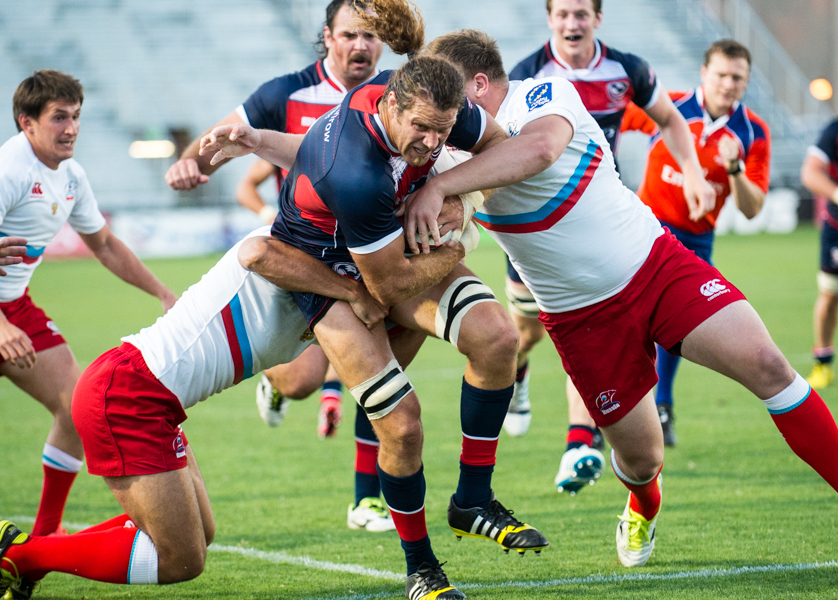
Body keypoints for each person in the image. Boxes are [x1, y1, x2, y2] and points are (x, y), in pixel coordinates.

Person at [418, 28, 838, 568]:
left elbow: (540, 148)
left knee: (769, 364)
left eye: (450, 100)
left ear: (478, 85)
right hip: (581, 320)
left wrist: (444, 188)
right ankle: (642, 505)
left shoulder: (544, 93)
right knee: (642, 460)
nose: (443, 117)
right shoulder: (447, 155)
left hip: (657, 266)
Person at [199, 2, 549, 597]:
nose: (434, 141)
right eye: (423, 130)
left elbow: (499, 151)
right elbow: (383, 290)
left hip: (392, 248)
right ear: (389, 106)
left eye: (443, 130)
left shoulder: (437, 105)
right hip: (324, 271)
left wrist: (458, 196)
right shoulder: (355, 170)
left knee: (497, 338)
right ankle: (422, 571)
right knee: (401, 423)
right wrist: (454, 245)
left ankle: (473, 500)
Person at [0, 227, 395, 599]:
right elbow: (257, 251)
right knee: (181, 559)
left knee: (200, 533)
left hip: (152, 400)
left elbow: (300, 378)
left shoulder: (332, 274)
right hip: (127, 394)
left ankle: (29, 555)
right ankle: (21, 555)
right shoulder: (288, 247)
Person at [166, 0, 394, 532]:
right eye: (350, 34)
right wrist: (191, 163)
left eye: (370, 35)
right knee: (302, 383)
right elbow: (225, 134)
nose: (361, 45)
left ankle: (366, 500)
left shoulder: (394, 93)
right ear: (328, 37)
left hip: (368, 253)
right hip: (300, 255)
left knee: (380, 362)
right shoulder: (286, 93)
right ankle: (274, 381)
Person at [502, 0, 716, 496]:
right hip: (536, 229)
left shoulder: (628, 69)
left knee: (592, 323)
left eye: (582, 13)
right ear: (549, 19)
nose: (572, 23)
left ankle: (580, 440)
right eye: (563, 14)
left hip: (600, 225)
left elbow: (670, 119)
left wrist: (693, 173)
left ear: (598, 19)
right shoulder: (528, 74)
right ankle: (518, 373)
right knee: (526, 331)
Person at [0, 70, 177, 542]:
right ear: (27, 123)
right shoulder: (9, 171)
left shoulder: (71, 177)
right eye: (59, 117)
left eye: (76, 116)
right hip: (2, 317)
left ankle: (42, 539)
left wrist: (163, 293)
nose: (72, 128)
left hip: (14, 306)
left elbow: (104, 245)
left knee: (76, 409)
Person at [620, 39, 770, 445]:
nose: (728, 84)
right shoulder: (669, 110)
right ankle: (611, 415)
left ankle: (662, 405)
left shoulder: (753, 132)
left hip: (697, 240)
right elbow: (612, 118)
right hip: (644, 228)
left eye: (736, 77)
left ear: (746, 82)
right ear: (704, 73)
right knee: (626, 322)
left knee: (676, 328)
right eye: (721, 74)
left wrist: (735, 168)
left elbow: (753, 208)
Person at [800, 118, 838, 389]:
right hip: (837, 229)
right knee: (830, 295)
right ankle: (823, 365)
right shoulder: (834, 131)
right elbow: (810, 173)